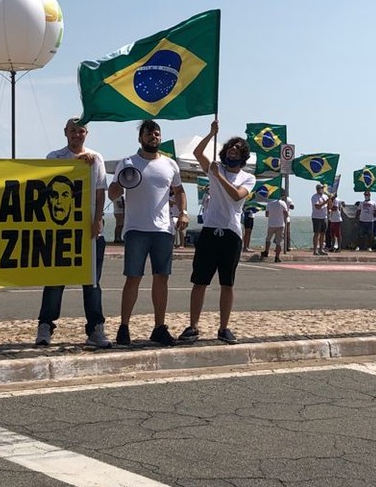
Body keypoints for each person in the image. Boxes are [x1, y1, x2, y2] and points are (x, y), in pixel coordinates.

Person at [109, 120, 187, 347]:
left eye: (157, 133)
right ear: (140, 138)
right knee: (133, 278)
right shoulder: (128, 162)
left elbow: (179, 190)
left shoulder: (170, 164)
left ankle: (159, 327)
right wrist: (120, 182)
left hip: (163, 229)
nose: (154, 136)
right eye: (149, 133)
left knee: (162, 278)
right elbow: (113, 193)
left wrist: (183, 212)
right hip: (136, 229)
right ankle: (124, 327)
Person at [35, 118, 112, 350]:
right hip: (60, 231)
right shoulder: (54, 157)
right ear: (65, 132)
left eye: (81, 131)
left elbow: (100, 194)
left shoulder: (96, 158)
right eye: (72, 131)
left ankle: (96, 329)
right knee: (55, 280)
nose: (76, 135)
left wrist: (98, 220)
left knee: (92, 282)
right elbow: (48, 181)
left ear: (86, 133)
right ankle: (45, 326)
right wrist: (78, 162)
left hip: (88, 231)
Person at [178, 120, 255, 345]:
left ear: (243, 156)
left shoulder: (246, 177)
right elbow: (197, 152)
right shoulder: (215, 168)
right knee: (200, 281)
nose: (233, 152)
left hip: (231, 233)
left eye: (237, 150)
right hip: (211, 231)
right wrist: (211, 133)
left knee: (227, 283)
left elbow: (236, 195)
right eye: (230, 148)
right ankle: (193, 326)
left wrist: (218, 176)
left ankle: (224, 327)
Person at [261, 196, 288, 262]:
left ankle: (266, 251)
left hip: (271, 224)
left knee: (268, 239)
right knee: (279, 242)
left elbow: (267, 214)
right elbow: (286, 214)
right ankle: (277, 257)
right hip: (280, 224)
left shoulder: (269, 203)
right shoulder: (283, 203)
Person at [311, 183, 329, 255]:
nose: (322, 189)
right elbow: (317, 207)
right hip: (316, 217)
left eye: (322, 188)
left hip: (324, 217)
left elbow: (329, 206)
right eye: (321, 188)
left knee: (322, 233)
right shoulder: (314, 197)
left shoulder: (325, 196)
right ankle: (315, 250)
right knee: (316, 233)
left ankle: (321, 249)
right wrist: (325, 202)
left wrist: (330, 200)